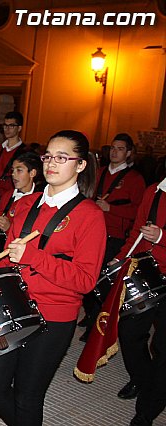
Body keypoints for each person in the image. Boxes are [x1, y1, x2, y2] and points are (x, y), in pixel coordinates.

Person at [0, 130, 106, 426]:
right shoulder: (25, 204)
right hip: (14, 309)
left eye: (62, 158)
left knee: (27, 396)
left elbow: (86, 280)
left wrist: (33, 257)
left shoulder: (90, 215)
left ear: (81, 164)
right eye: (49, 156)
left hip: (53, 318)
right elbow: (8, 259)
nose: (51, 163)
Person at [79, 133, 145, 341]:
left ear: (129, 152)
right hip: (91, 232)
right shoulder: (98, 172)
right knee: (85, 276)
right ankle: (90, 313)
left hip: (114, 236)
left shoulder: (135, 179)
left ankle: (94, 326)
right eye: (113, 148)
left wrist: (110, 209)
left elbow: (138, 212)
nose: (115, 152)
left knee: (102, 281)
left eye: (120, 149)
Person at [114, 177, 166, 425]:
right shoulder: (154, 191)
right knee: (129, 332)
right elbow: (136, 232)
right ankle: (146, 380)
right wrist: (122, 258)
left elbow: (155, 234)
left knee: (163, 346)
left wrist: (162, 236)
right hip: (148, 274)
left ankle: (146, 412)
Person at [0, 151, 45, 237]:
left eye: (19, 170)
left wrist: (9, 228)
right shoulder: (8, 195)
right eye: (13, 170)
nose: (13, 174)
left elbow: (33, 236)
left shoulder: (39, 201)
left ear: (32, 173)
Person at [0, 111, 27, 192]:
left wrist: (0, 183)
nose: (7, 129)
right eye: (5, 125)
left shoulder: (25, 152)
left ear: (19, 128)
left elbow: (24, 181)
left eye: (11, 126)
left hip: (13, 195)